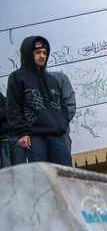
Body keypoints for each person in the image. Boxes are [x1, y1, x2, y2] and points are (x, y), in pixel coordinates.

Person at [6, 36, 72, 166]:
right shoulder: (17, 77)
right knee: (41, 175)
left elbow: (63, 105)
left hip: (56, 134)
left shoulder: (52, 80)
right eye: (37, 53)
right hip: (34, 136)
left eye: (44, 53)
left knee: (66, 173)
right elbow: (13, 107)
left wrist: (61, 123)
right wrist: (22, 133)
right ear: (28, 54)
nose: (42, 56)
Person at [49, 71, 76, 152]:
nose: (42, 57)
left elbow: (70, 106)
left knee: (62, 164)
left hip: (60, 134)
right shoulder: (21, 81)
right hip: (36, 138)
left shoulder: (59, 78)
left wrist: (60, 126)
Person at [0, 91, 26, 168]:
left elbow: (9, 111)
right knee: (6, 173)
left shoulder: (2, 97)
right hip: (4, 141)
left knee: (21, 170)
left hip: (15, 137)